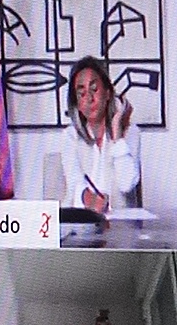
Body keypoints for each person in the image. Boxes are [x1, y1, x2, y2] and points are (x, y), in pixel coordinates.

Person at [54, 56, 141, 219]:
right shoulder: (70, 137)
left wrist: (117, 133)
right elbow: (75, 184)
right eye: (81, 94)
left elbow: (127, 184)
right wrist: (90, 200)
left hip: (120, 225)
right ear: (77, 104)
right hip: (81, 221)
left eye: (94, 89)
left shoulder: (131, 132)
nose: (89, 99)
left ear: (108, 93)